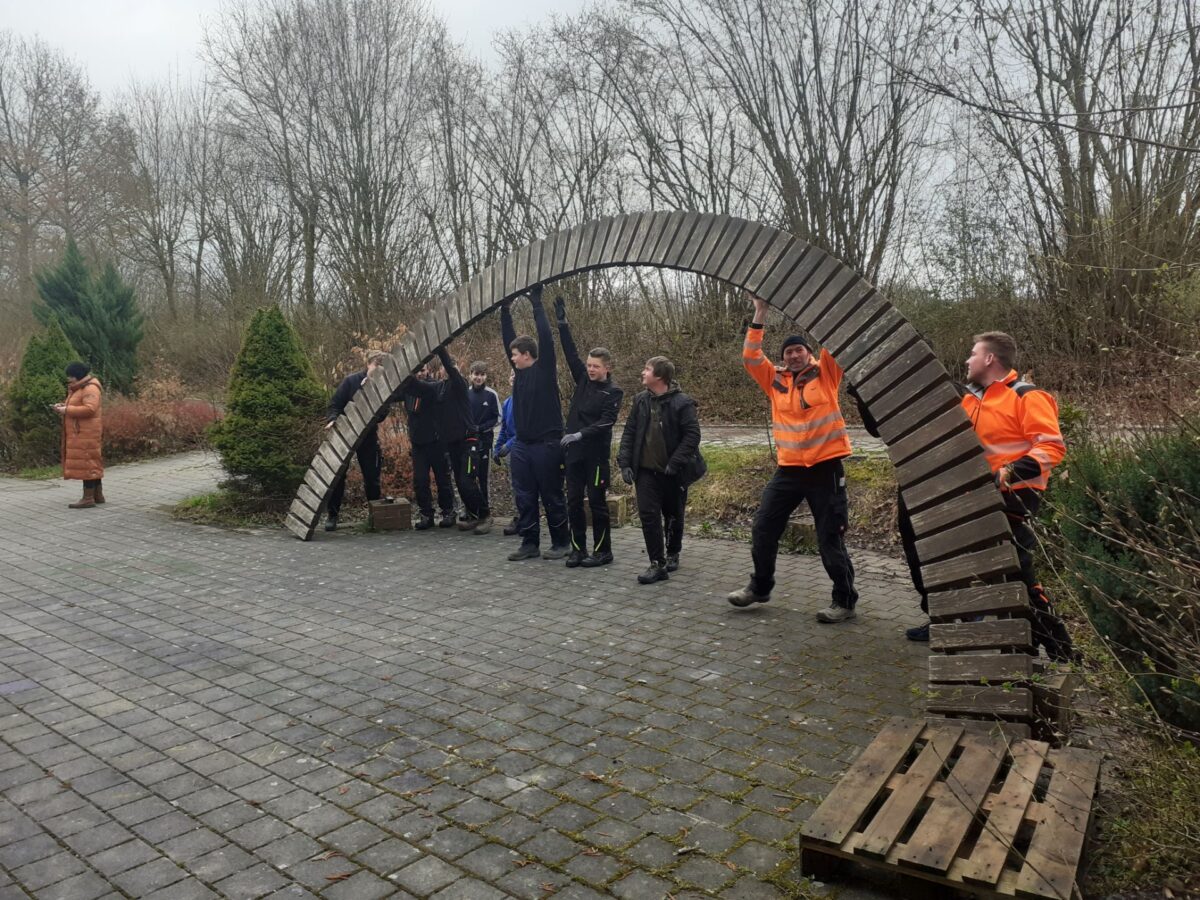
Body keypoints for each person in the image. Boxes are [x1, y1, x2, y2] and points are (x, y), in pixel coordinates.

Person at [900, 333, 1074, 661]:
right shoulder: (972, 400)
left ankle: (1060, 649)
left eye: (973, 353)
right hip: (978, 497)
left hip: (1016, 497)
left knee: (1016, 573)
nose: (967, 360)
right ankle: (1013, 642)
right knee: (981, 570)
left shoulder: (1026, 396)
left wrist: (1009, 471)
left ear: (990, 359)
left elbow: (1052, 446)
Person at [728, 295, 858, 622]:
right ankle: (760, 587)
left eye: (799, 349)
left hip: (825, 469)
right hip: (788, 470)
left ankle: (844, 601)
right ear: (783, 359)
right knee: (763, 527)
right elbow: (750, 355)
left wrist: (819, 305)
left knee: (829, 538)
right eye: (788, 351)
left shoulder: (826, 374)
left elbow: (836, 338)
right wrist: (760, 311)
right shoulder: (775, 381)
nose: (794, 355)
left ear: (809, 354)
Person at [617, 356, 703, 585]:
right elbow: (630, 433)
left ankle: (673, 552)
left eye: (647, 369)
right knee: (648, 516)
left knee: (673, 514)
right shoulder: (640, 401)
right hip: (645, 472)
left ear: (660, 376)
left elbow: (692, 436)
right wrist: (624, 463)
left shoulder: (683, 403)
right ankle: (657, 563)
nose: (642, 372)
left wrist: (674, 464)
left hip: (672, 472)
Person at [500, 284, 571, 560]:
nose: (513, 357)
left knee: (552, 496)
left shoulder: (543, 370)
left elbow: (546, 338)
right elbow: (508, 337)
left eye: (516, 354)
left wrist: (537, 304)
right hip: (523, 446)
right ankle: (529, 544)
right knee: (525, 497)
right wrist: (505, 310)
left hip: (547, 445)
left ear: (527, 355)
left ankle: (561, 543)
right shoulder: (517, 374)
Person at [554, 296, 624, 568]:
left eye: (596, 366)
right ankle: (578, 550)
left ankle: (603, 551)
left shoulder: (613, 391)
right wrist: (562, 324)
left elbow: (606, 422)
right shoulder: (582, 379)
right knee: (573, 502)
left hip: (595, 456)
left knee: (596, 504)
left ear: (607, 368)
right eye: (589, 365)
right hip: (574, 455)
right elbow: (570, 353)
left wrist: (581, 434)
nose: (591, 369)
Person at [324, 350, 387, 531]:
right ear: (368, 364)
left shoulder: (382, 387)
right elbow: (334, 405)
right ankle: (332, 516)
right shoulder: (350, 382)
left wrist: (374, 400)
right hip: (345, 435)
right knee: (337, 477)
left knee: (372, 477)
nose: (378, 370)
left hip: (368, 438)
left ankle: (374, 516)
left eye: (381, 367)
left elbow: (383, 414)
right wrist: (333, 420)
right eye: (376, 365)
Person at [432, 346, 490, 534]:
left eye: (453, 366)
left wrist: (441, 349)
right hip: (453, 444)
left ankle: (485, 515)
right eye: (446, 367)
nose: (449, 369)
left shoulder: (459, 383)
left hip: (468, 441)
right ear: (439, 370)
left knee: (467, 480)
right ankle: (473, 515)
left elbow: (451, 369)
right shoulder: (440, 388)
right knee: (459, 481)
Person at [402, 359, 456, 530]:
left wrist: (404, 375)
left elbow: (420, 388)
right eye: (416, 371)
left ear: (428, 371)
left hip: (436, 442)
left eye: (422, 369)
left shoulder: (433, 387)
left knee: (442, 479)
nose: (420, 373)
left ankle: (448, 512)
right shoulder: (408, 390)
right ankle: (426, 514)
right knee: (420, 480)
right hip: (418, 444)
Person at [55, 361, 104, 509]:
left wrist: (67, 410)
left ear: (78, 375)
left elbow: (90, 409)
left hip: (86, 433)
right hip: (83, 432)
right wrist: (63, 406)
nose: (68, 379)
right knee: (91, 462)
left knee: (87, 464)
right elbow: (78, 406)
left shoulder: (90, 388)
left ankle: (88, 498)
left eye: (71, 376)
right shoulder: (79, 388)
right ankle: (97, 495)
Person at [467, 360, 501, 531]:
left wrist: (482, 428)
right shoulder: (466, 394)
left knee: (483, 478)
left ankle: (486, 515)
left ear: (486, 376)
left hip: (485, 443)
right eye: (476, 374)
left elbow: (498, 418)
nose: (478, 377)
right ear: (470, 375)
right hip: (468, 443)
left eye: (481, 374)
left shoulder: (491, 395)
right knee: (469, 477)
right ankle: (472, 512)